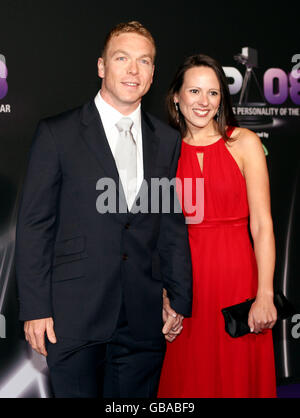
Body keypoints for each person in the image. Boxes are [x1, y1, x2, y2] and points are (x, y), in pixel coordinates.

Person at [15, 21, 192, 398]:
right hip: (73, 316)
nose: (133, 70)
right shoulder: (58, 134)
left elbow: (171, 225)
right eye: (122, 58)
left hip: (143, 321)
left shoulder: (167, 140)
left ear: (152, 73)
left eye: (143, 61)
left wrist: (177, 297)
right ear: (101, 66)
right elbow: (34, 227)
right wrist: (34, 307)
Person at [158, 54, 277, 398]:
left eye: (213, 93)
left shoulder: (244, 143)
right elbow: (157, 234)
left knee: (238, 377)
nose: (204, 101)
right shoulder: (163, 152)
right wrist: (166, 297)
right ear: (176, 97)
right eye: (194, 91)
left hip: (239, 282)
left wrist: (265, 294)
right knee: (190, 380)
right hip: (187, 286)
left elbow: (263, 225)